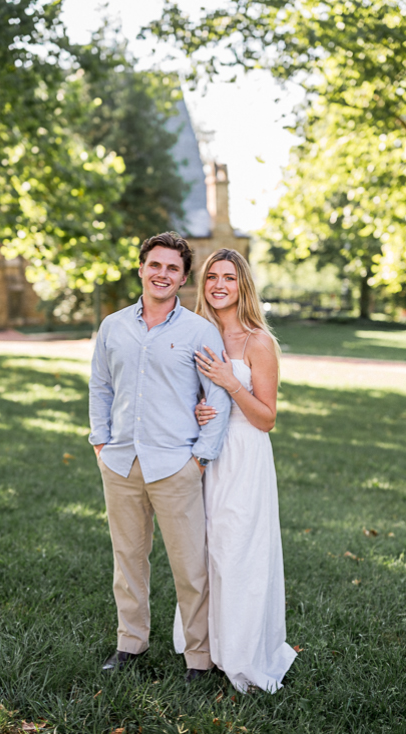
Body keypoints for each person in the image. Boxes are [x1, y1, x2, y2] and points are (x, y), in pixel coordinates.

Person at [89, 231, 231, 681]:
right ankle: (130, 643)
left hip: (176, 465)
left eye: (173, 268)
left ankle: (198, 657)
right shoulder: (113, 326)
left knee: (190, 568)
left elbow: (219, 395)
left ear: (184, 277)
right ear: (141, 268)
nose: (162, 274)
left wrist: (201, 456)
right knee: (127, 561)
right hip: (121, 462)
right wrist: (99, 442)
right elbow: (100, 386)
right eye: (155, 265)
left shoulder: (199, 331)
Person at [171, 247, 297, 693]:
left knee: (238, 552)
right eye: (211, 277)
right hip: (204, 456)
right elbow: (185, 397)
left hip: (243, 456)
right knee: (204, 552)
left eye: (229, 277)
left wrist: (229, 384)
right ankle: (204, 649)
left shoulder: (258, 342)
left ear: (243, 285)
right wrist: (200, 410)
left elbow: (266, 418)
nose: (219, 285)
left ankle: (242, 654)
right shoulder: (195, 334)